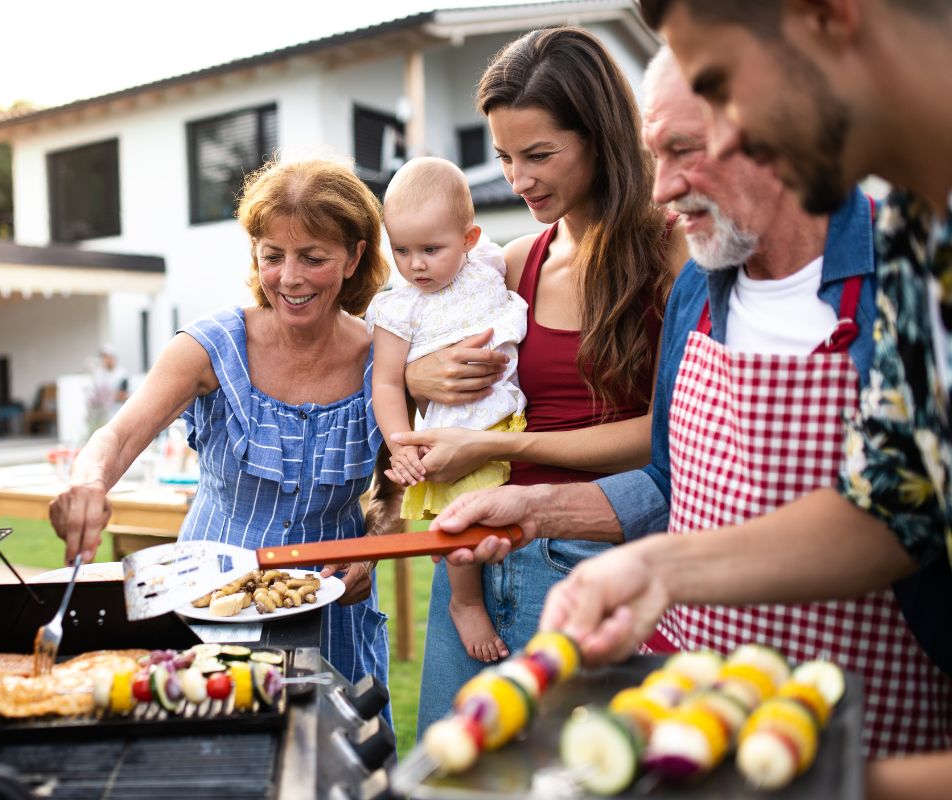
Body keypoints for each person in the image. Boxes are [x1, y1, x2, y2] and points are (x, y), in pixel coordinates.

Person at [431, 46, 951, 757]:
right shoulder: (697, 297)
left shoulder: (909, 283)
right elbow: (667, 484)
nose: (660, 189)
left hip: (872, 727)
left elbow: (897, 516)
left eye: (685, 150)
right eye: (655, 152)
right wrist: (537, 508)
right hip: (699, 718)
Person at [405, 26, 687, 735]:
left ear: (599, 137)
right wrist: (417, 372)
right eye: (503, 156)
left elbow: (673, 434)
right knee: (448, 769)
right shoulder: (513, 261)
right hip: (474, 555)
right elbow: (421, 347)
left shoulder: (668, 249)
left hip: (586, 561)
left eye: (538, 155)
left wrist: (503, 452)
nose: (517, 179)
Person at [49, 158, 401, 716]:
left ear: (355, 256)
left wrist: (372, 550)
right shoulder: (211, 347)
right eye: (272, 256)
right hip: (210, 605)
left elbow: (394, 490)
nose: (290, 277)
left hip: (333, 615)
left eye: (313, 257)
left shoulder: (383, 360)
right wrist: (88, 483)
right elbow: (115, 437)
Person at [366, 156, 528, 663]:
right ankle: (466, 602)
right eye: (401, 250)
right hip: (453, 429)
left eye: (431, 250)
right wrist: (400, 444)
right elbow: (387, 384)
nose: (415, 265)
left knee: (502, 528)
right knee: (459, 522)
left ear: (470, 239)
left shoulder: (491, 266)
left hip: (511, 418)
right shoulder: (399, 307)